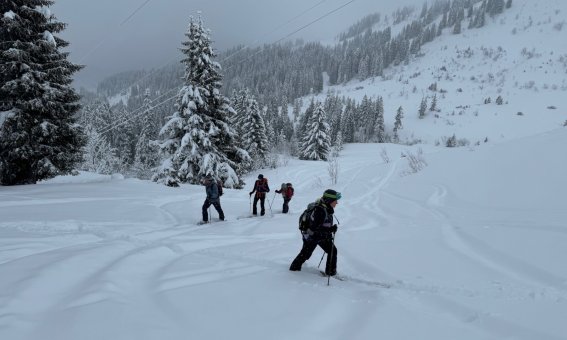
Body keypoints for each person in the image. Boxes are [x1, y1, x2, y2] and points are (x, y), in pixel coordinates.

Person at [290, 189, 341, 276]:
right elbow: (315, 229)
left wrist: (329, 231)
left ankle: (331, 273)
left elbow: (323, 225)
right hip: (312, 236)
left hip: (320, 235)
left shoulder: (327, 208)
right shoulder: (320, 211)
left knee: (332, 250)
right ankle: (293, 269)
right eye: (335, 200)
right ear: (329, 200)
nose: (337, 203)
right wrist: (330, 230)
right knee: (305, 254)